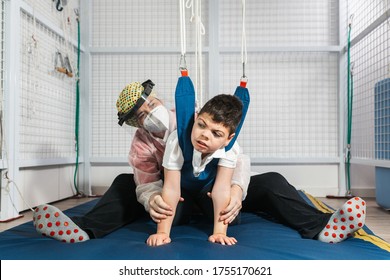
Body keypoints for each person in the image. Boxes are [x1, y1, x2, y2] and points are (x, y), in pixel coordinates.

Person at [34, 79, 366, 245]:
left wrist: (236, 193)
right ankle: (83, 231)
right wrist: (154, 205)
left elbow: (238, 164)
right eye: (139, 117)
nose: (148, 115)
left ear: (157, 98)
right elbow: (150, 183)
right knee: (124, 183)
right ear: (135, 123)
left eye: (148, 106)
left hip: (215, 198)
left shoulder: (197, 120)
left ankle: (323, 227)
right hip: (173, 200)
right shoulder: (144, 145)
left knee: (273, 180)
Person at [147, 93, 244, 246]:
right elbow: (172, 187)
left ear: (228, 139)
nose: (204, 135)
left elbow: (222, 188)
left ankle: (200, 210)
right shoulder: (177, 140)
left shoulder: (231, 149)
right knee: (175, 218)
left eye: (216, 134)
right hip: (182, 190)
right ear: (196, 118)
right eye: (201, 125)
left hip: (207, 190)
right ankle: (188, 210)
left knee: (232, 219)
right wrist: (162, 233)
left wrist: (219, 233)